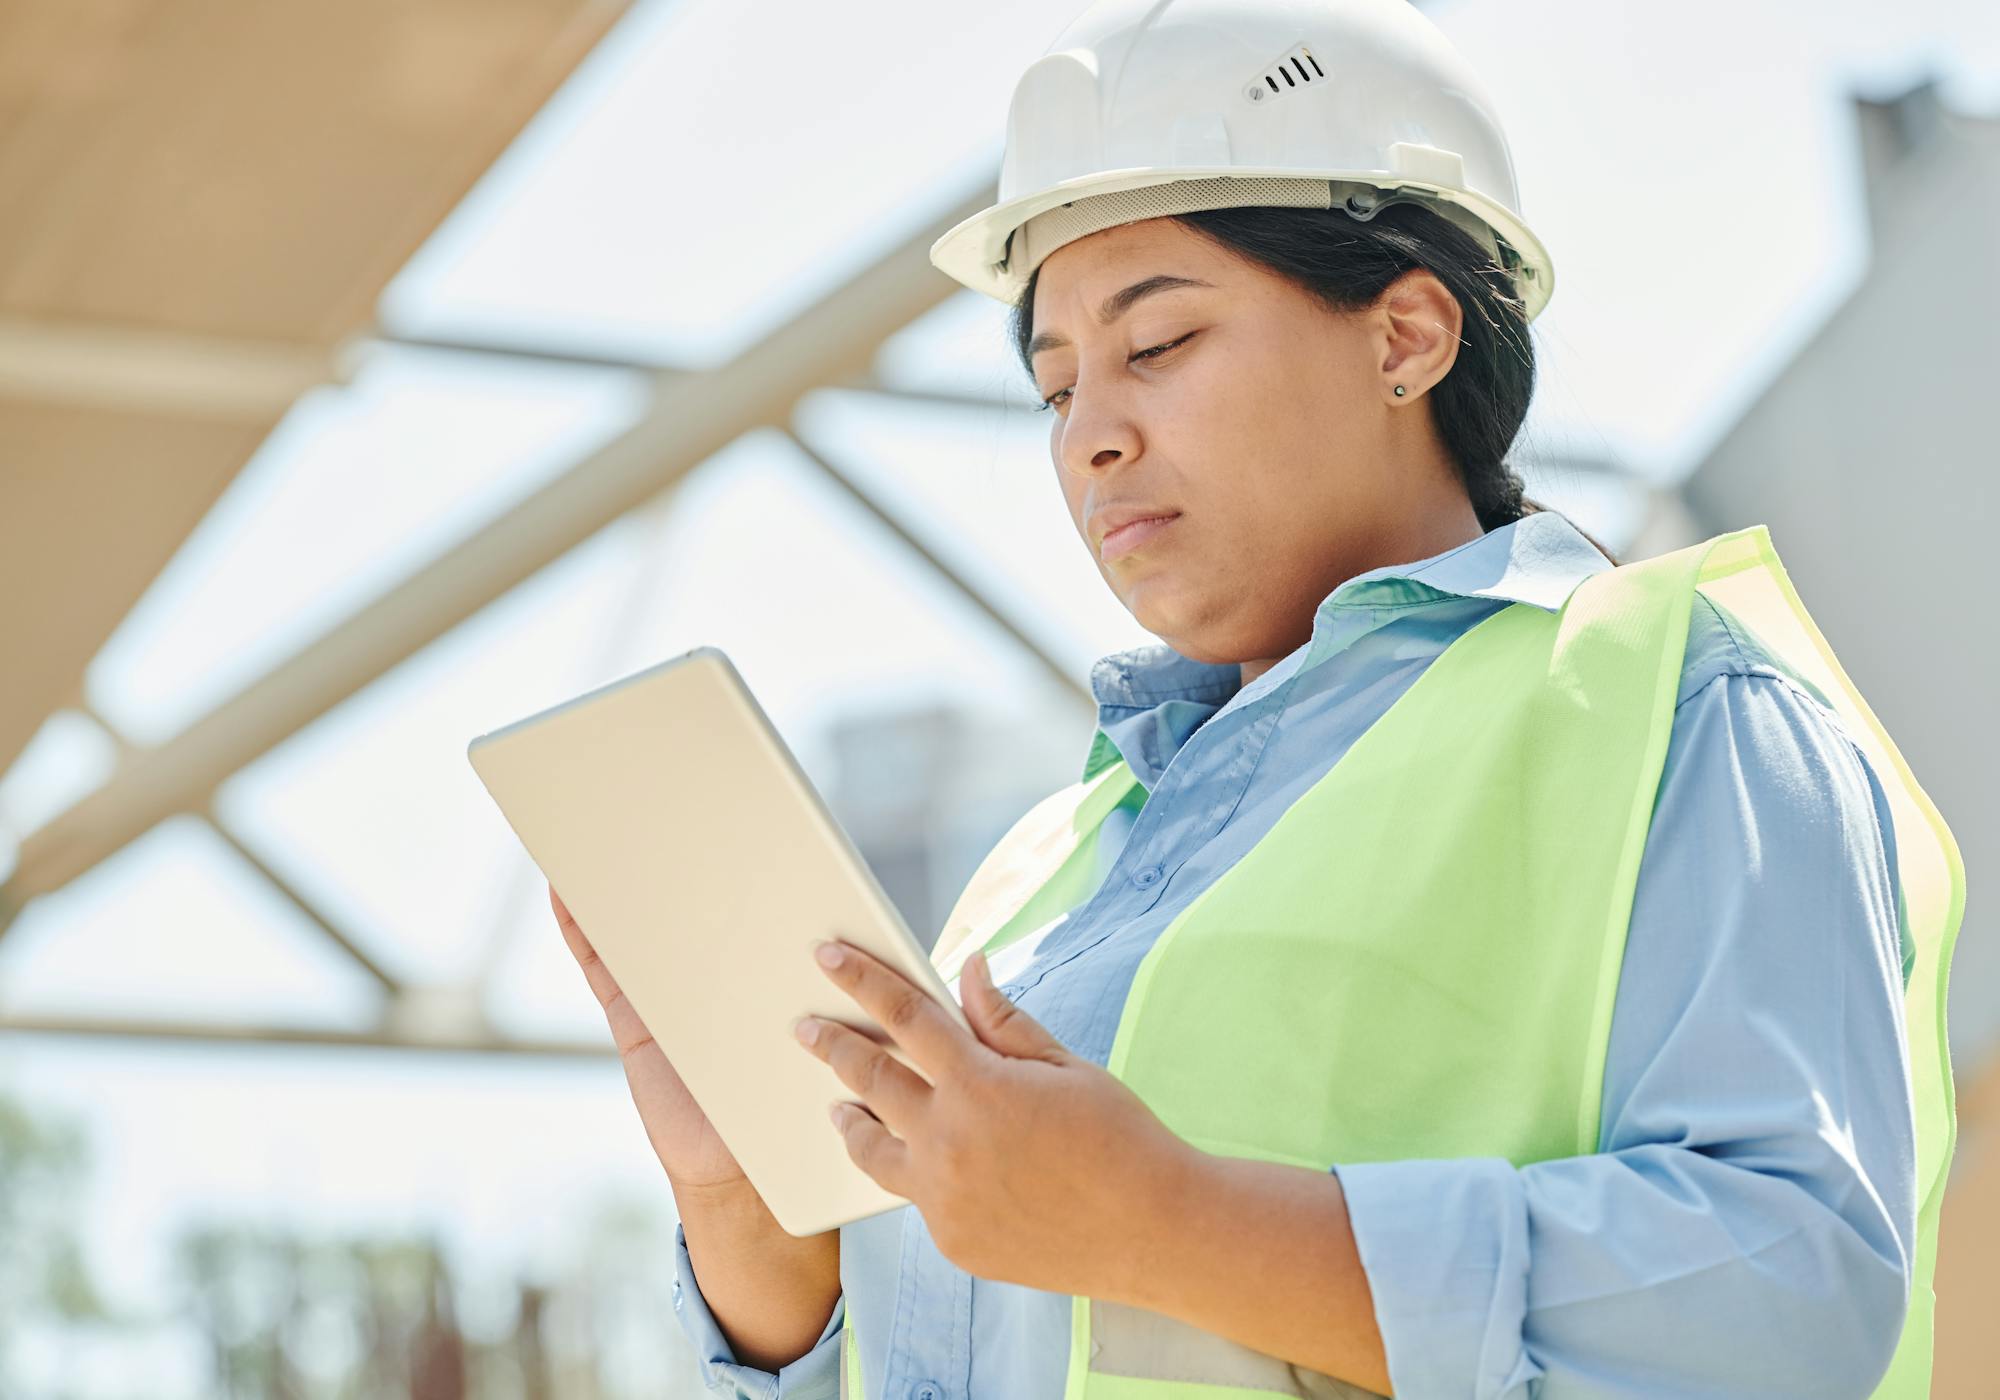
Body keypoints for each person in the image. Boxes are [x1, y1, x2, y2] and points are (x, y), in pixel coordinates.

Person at [552, 1, 1964, 1396]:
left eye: (1156, 346)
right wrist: (751, 1215)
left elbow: (1790, 1298)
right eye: (1055, 390)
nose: (1095, 436)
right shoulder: (1035, 885)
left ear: (1407, 336)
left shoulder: (1678, 710)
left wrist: (1173, 1225)